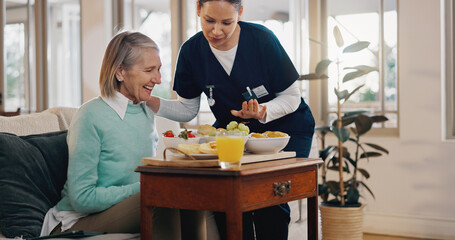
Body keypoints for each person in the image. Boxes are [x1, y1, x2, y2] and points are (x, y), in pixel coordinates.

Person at [146, 0, 315, 239]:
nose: (216, 31)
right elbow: (187, 109)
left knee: (268, 198)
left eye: (227, 22)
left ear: (240, 13)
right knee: (228, 196)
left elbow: (292, 98)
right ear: (198, 10)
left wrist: (262, 111)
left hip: (286, 128)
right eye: (209, 21)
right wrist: (150, 102)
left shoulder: (262, 40)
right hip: (234, 133)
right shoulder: (191, 51)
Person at [39, 31, 202, 240]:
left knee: (199, 195)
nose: (158, 79)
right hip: (77, 220)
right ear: (120, 73)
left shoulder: (144, 111)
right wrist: (146, 185)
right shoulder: (90, 115)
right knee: (162, 197)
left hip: (125, 207)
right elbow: (81, 198)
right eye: (149, 70)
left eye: (159, 69)